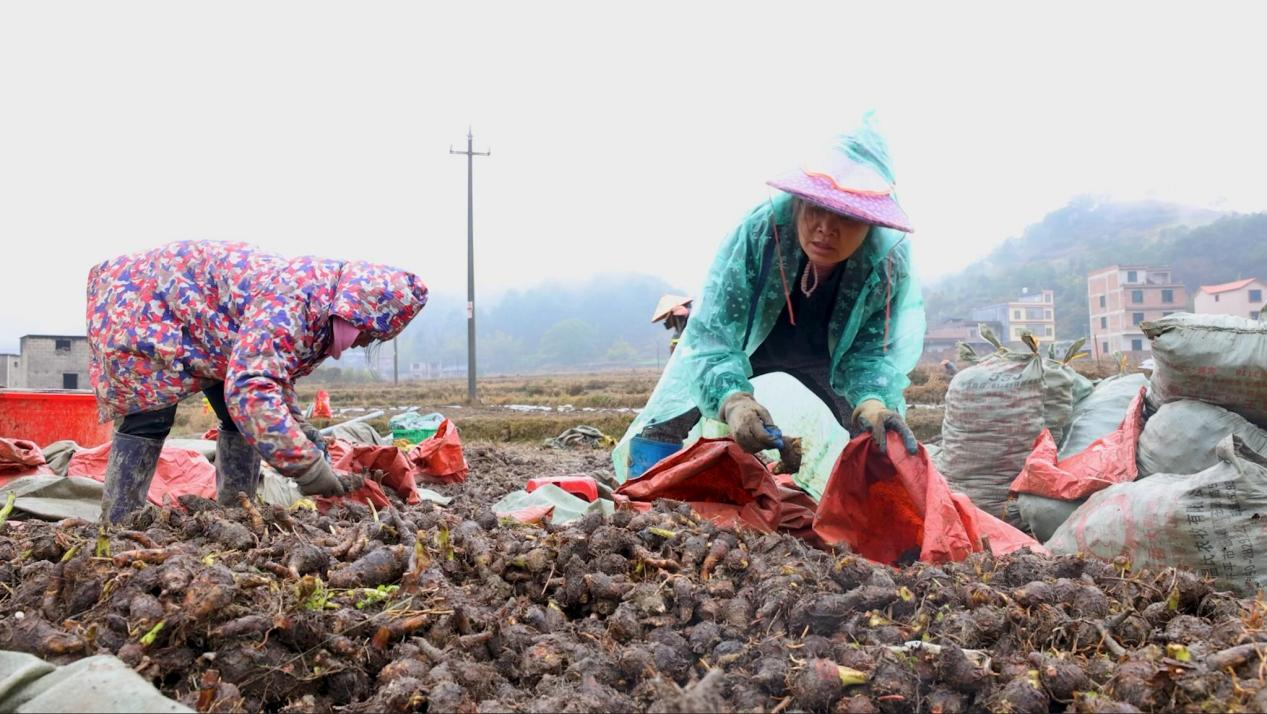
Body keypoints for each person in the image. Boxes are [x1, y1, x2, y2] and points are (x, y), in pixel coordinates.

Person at [620, 114, 925, 476]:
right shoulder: (759, 234)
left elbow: (872, 354)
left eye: (848, 217)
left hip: (830, 360)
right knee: (665, 418)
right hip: (748, 344)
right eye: (816, 208)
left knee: (877, 435)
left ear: (873, 221)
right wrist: (734, 401)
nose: (826, 229)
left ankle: (865, 518)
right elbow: (713, 334)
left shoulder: (885, 263)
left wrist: (873, 402)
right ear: (798, 202)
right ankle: (646, 496)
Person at [86, 241, 428, 523]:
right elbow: (252, 388)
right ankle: (119, 524)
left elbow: (272, 370)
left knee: (237, 417)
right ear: (360, 313)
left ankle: (235, 514)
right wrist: (307, 468)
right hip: (145, 304)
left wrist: (302, 430)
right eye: (370, 335)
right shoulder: (296, 302)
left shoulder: (320, 300)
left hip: (207, 327)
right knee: (151, 414)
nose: (366, 342)